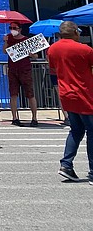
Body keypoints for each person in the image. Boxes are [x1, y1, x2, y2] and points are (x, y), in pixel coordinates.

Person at [46, 21, 93, 183]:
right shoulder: (85, 50)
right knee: (91, 132)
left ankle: (66, 165)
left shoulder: (52, 49)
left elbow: (53, 69)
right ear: (75, 32)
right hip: (85, 94)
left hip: (66, 94)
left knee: (76, 130)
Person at [3, 22, 39, 126]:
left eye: (15, 28)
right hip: (13, 69)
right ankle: (15, 118)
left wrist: (32, 55)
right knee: (13, 94)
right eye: (11, 28)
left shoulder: (26, 40)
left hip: (25, 69)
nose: (12, 29)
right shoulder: (9, 38)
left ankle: (34, 118)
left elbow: (36, 56)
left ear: (20, 29)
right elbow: (4, 51)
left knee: (30, 94)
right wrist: (5, 42)